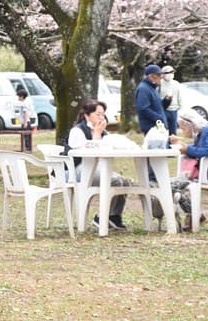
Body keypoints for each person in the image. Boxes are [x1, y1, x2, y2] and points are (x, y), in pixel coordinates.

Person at [63, 98, 131, 230]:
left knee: (124, 182)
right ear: (86, 115)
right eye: (97, 114)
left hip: (96, 168)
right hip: (75, 169)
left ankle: (113, 216)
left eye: (103, 114)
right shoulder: (77, 131)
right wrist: (97, 134)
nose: (101, 117)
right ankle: (102, 217)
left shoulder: (103, 131)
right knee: (114, 180)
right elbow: (84, 153)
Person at [135, 64, 166, 137]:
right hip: (151, 127)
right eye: (158, 75)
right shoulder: (143, 89)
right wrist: (158, 118)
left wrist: (167, 101)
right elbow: (143, 108)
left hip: (157, 126)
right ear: (151, 76)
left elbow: (157, 106)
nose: (160, 78)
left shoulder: (152, 88)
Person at [160, 65, 182, 137]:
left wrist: (180, 107)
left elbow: (180, 97)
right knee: (163, 130)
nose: (170, 74)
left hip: (174, 111)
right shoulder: (159, 84)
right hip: (164, 110)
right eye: (168, 72)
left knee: (173, 131)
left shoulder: (176, 84)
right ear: (163, 74)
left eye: (172, 72)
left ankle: (172, 146)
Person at [13, 87, 34, 152]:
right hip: (27, 121)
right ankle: (27, 147)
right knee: (27, 135)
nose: (18, 98)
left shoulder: (24, 104)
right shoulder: (27, 102)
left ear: (22, 96)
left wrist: (25, 122)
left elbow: (26, 113)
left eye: (18, 96)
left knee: (26, 136)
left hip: (26, 122)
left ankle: (27, 148)